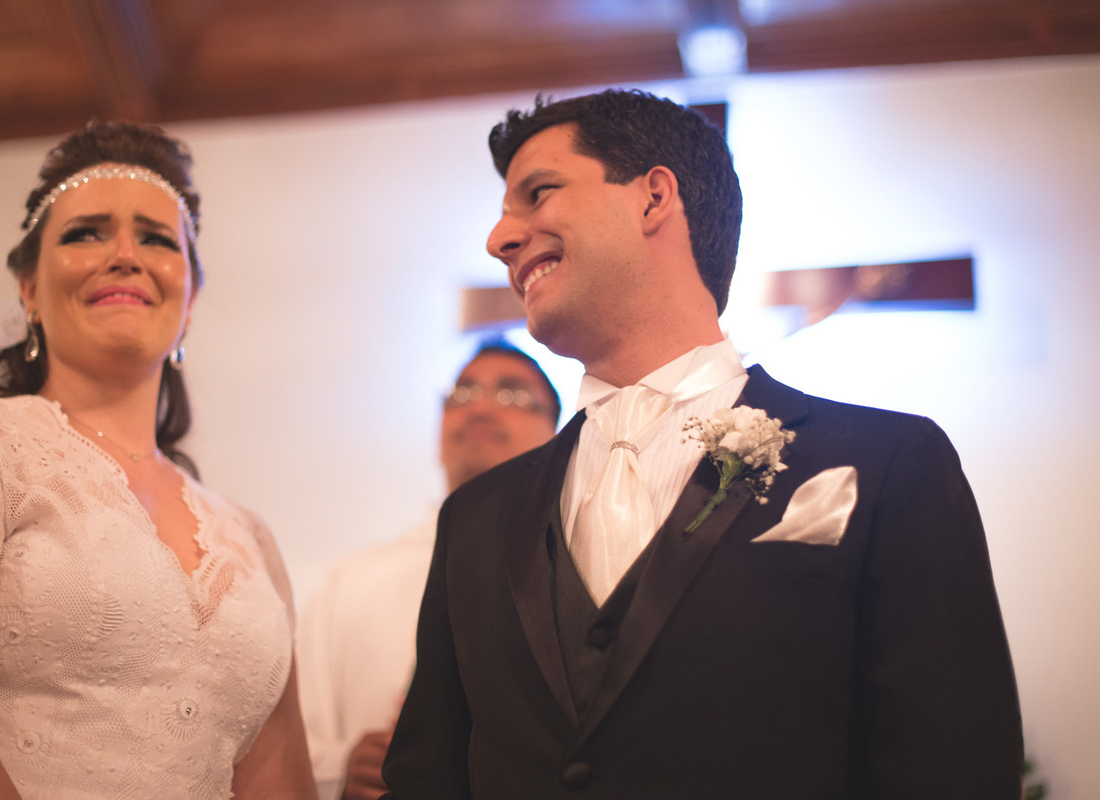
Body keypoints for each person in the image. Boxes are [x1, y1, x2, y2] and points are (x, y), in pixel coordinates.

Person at [382, 90, 1023, 798]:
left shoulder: (889, 465)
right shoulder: (475, 519)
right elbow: (428, 777)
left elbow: (955, 769)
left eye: (538, 193)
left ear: (654, 197)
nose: (499, 237)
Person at [0, 121, 317, 800]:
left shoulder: (252, 538)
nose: (125, 255)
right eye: (85, 232)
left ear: (189, 304)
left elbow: (278, 780)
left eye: (156, 238)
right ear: (29, 289)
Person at [297, 342, 559, 800]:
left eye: (512, 394)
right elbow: (287, 734)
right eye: (462, 393)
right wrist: (340, 765)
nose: (479, 406)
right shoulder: (354, 580)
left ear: (555, 435)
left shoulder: (566, 573)